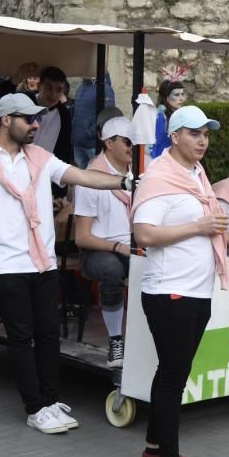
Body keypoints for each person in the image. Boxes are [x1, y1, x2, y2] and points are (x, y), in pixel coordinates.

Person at [0, 93, 134, 435]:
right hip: (2, 263)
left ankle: (51, 401)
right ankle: (34, 407)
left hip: (41, 260)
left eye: (37, 118)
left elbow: (80, 176)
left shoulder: (38, 156)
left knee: (48, 332)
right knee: (22, 336)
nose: (36, 124)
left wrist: (122, 182)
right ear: (6, 119)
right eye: (28, 119)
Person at [132, 105, 228, 457]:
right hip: (169, 292)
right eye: (194, 133)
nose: (202, 140)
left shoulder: (195, 174)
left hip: (196, 290)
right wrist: (199, 226)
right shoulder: (159, 178)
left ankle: (154, 449)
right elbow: (144, 234)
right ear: (174, 137)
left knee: (174, 372)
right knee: (173, 376)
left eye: (206, 133)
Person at [74, 116, 135, 369]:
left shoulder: (139, 173)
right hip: (98, 250)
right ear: (109, 143)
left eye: (136, 142)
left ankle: (150, 339)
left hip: (133, 246)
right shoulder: (91, 178)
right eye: (128, 142)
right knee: (112, 270)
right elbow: (82, 237)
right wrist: (117, 247)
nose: (134, 147)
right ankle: (115, 341)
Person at [31, 66, 73, 169]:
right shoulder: (25, 102)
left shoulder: (64, 115)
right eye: (49, 88)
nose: (53, 94)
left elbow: (64, 149)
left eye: (58, 90)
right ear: (40, 85)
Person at [72, 74, 116, 168]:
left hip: (93, 144)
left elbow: (107, 115)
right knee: (81, 179)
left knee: (96, 176)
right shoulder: (81, 87)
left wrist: (91, 132)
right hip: (78, 143)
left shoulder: (105, 89)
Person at [151, 71, 188, 160]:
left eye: (182, 94)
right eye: (176, 95)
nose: (181, 99)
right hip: (162, 163)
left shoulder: (179, 115)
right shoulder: (160, 117)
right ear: (166, 97)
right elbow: (154, 145)